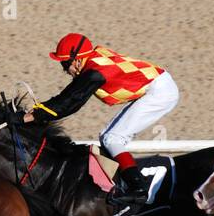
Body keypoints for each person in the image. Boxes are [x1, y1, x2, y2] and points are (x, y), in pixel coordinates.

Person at [21, 34, 179, 203]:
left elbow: (70, 102)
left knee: (113, 137)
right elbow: (69, 98)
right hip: (159, 85)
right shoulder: (93, 61)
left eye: (66, 63)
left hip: (160, 92)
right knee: (107, 136)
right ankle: (125, 180)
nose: (65, 69)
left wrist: (31, 117)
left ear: (78, 60)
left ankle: (138, 188)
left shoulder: (95, 71)